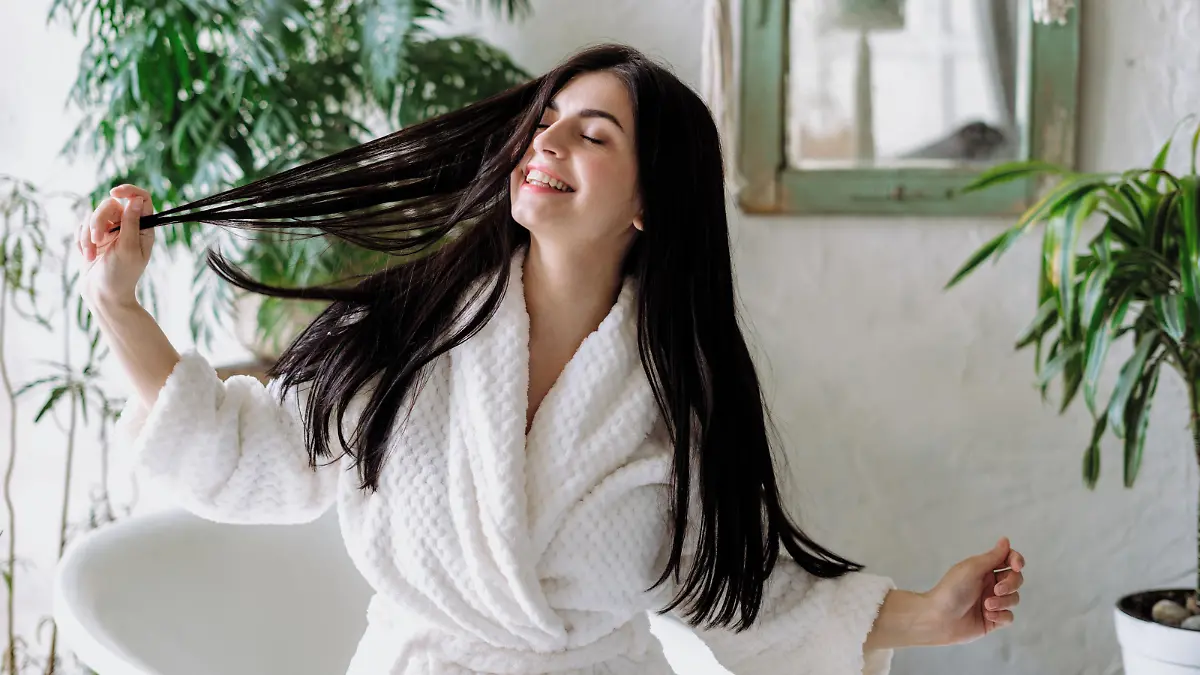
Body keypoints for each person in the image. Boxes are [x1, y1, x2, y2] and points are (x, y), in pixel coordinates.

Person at [77, 43, 1024, 674]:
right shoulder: (411, 330)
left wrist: (927, 613)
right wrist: (118, 304)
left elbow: (739, 587)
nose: (549, 140)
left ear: (649, 201)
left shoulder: (669, 393)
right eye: (549, 119)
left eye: (594, 132)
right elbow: (245, 453)